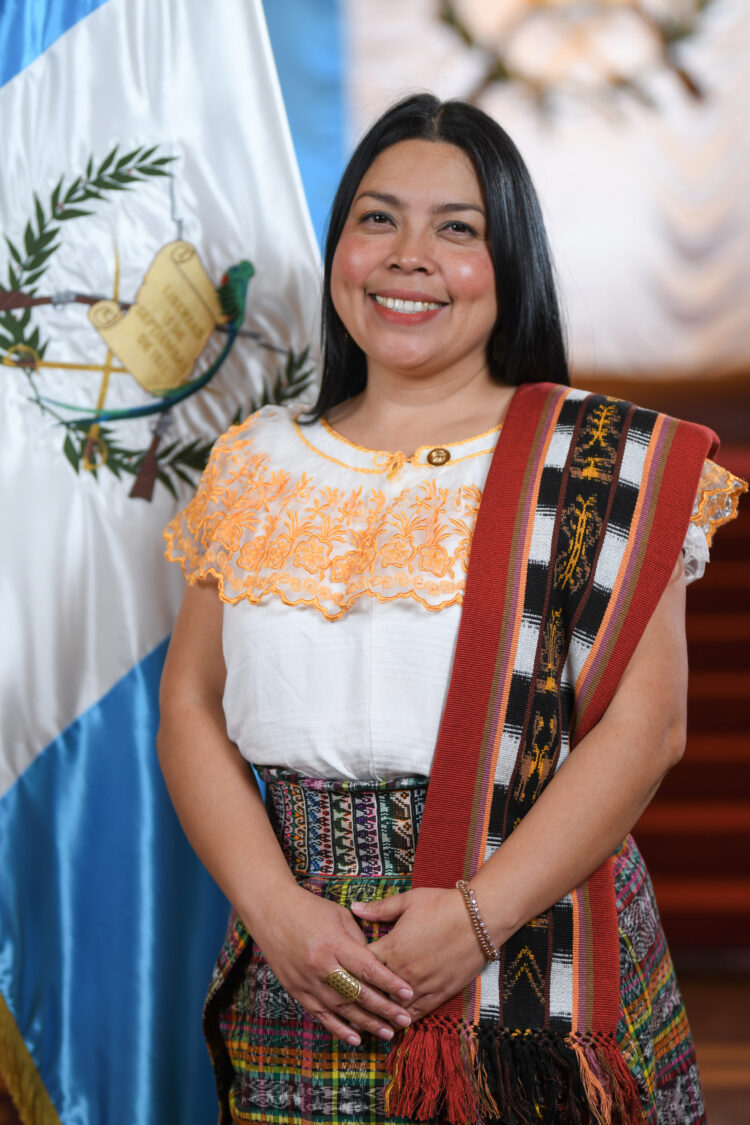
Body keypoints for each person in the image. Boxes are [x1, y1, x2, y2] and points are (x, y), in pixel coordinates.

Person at [158, 94, 745, 1125]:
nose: (409, 256)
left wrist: (477, 918)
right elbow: (190, 708)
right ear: (338, 248)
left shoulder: (605, 464)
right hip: (307, 963)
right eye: (377, 218)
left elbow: (648, 728)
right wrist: (275, 911)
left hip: (540, 952)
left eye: (457, 229)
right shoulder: (254, 464)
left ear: (510, 260)